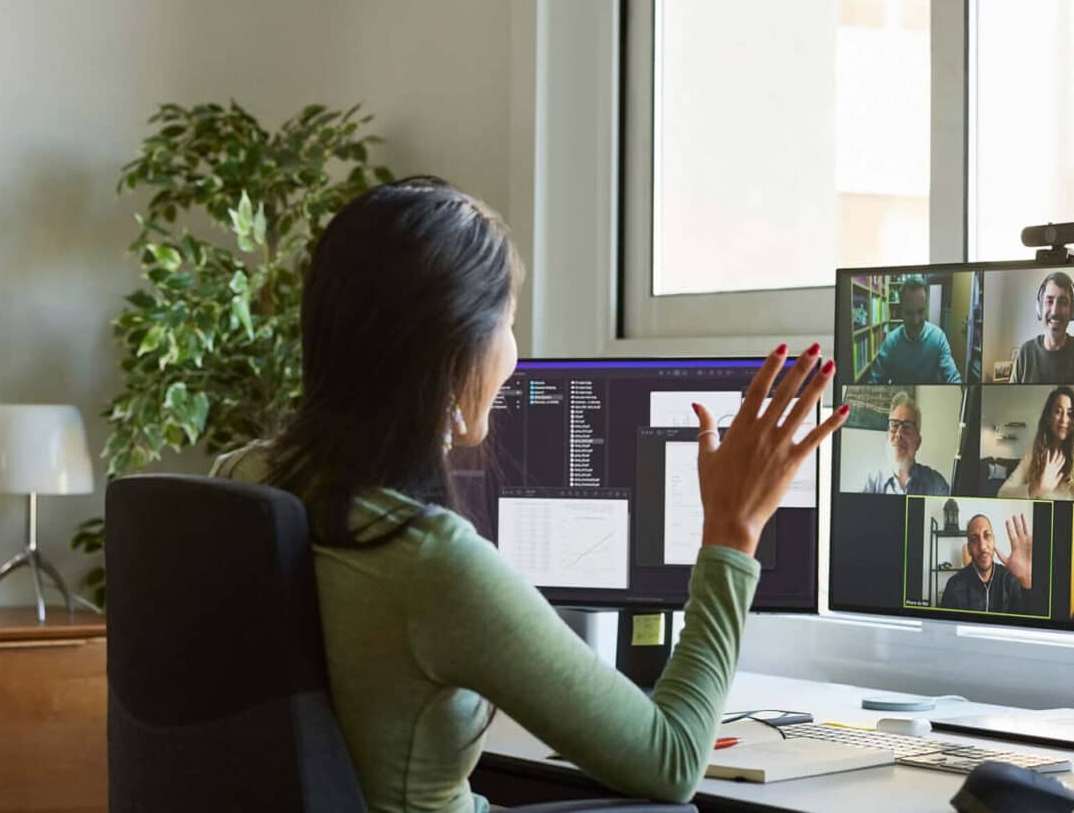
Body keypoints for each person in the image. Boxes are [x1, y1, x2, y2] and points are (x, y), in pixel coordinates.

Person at [212, 177, 848, 811]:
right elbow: (673, 761)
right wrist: (732, 532)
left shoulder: (239, 484)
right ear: (459, 348)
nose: (514, 354)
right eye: (509, 324)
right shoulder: (429, 560)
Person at [866, 277, 962, 385]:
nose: (916, 321)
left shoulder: (939, 338)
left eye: (920, 311)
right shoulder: (890, 343)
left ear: (926, 308)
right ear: (901, 312)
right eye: (909, 313)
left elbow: (953, 377)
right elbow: (874, 382)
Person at [940, 513, 1032, 614]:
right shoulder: (954, 584)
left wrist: (1025, 579)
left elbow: (1027, 622)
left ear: (994, 540)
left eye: (987, 535)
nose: (982, 546)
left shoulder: (1009, 580)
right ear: (969, 549)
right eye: (974, 540)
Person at [861, 391, 949, 495]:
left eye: (907, 427)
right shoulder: (871, 482)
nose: (899, 434)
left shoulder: (937, 484)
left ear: (918, 442)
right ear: (887, 436)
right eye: (894, 425)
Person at [998, 385, 1074, 501]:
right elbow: (1001, 494)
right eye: (1058, 411)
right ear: (1049, 417)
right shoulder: (1033, 455)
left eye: (1069, 413)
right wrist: (1036, 487)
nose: (1064, 420)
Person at [1010, 272, 1074, 384]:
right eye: (1049, 301)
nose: (1055, 311)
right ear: (1040, 308)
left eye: (1063, 302)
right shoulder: (1025, 353)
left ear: (1072, 311)